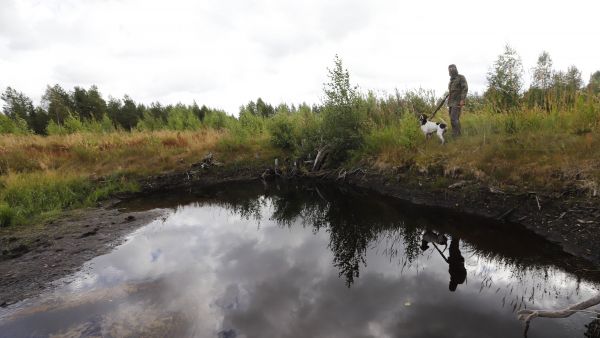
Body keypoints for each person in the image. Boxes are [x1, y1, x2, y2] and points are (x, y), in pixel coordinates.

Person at [447, 64, 468, 137]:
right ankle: (456, 133)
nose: (451, 70)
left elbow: (465, 88)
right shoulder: (451, 81)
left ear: (455, 69)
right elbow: (451, 91)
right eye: (450, 69)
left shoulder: (461, 77)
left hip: (457, 101)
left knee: (454, 118)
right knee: (453, 119)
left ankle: (457, 135)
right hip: (451, 102)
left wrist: (462, 99)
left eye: (452, 68)